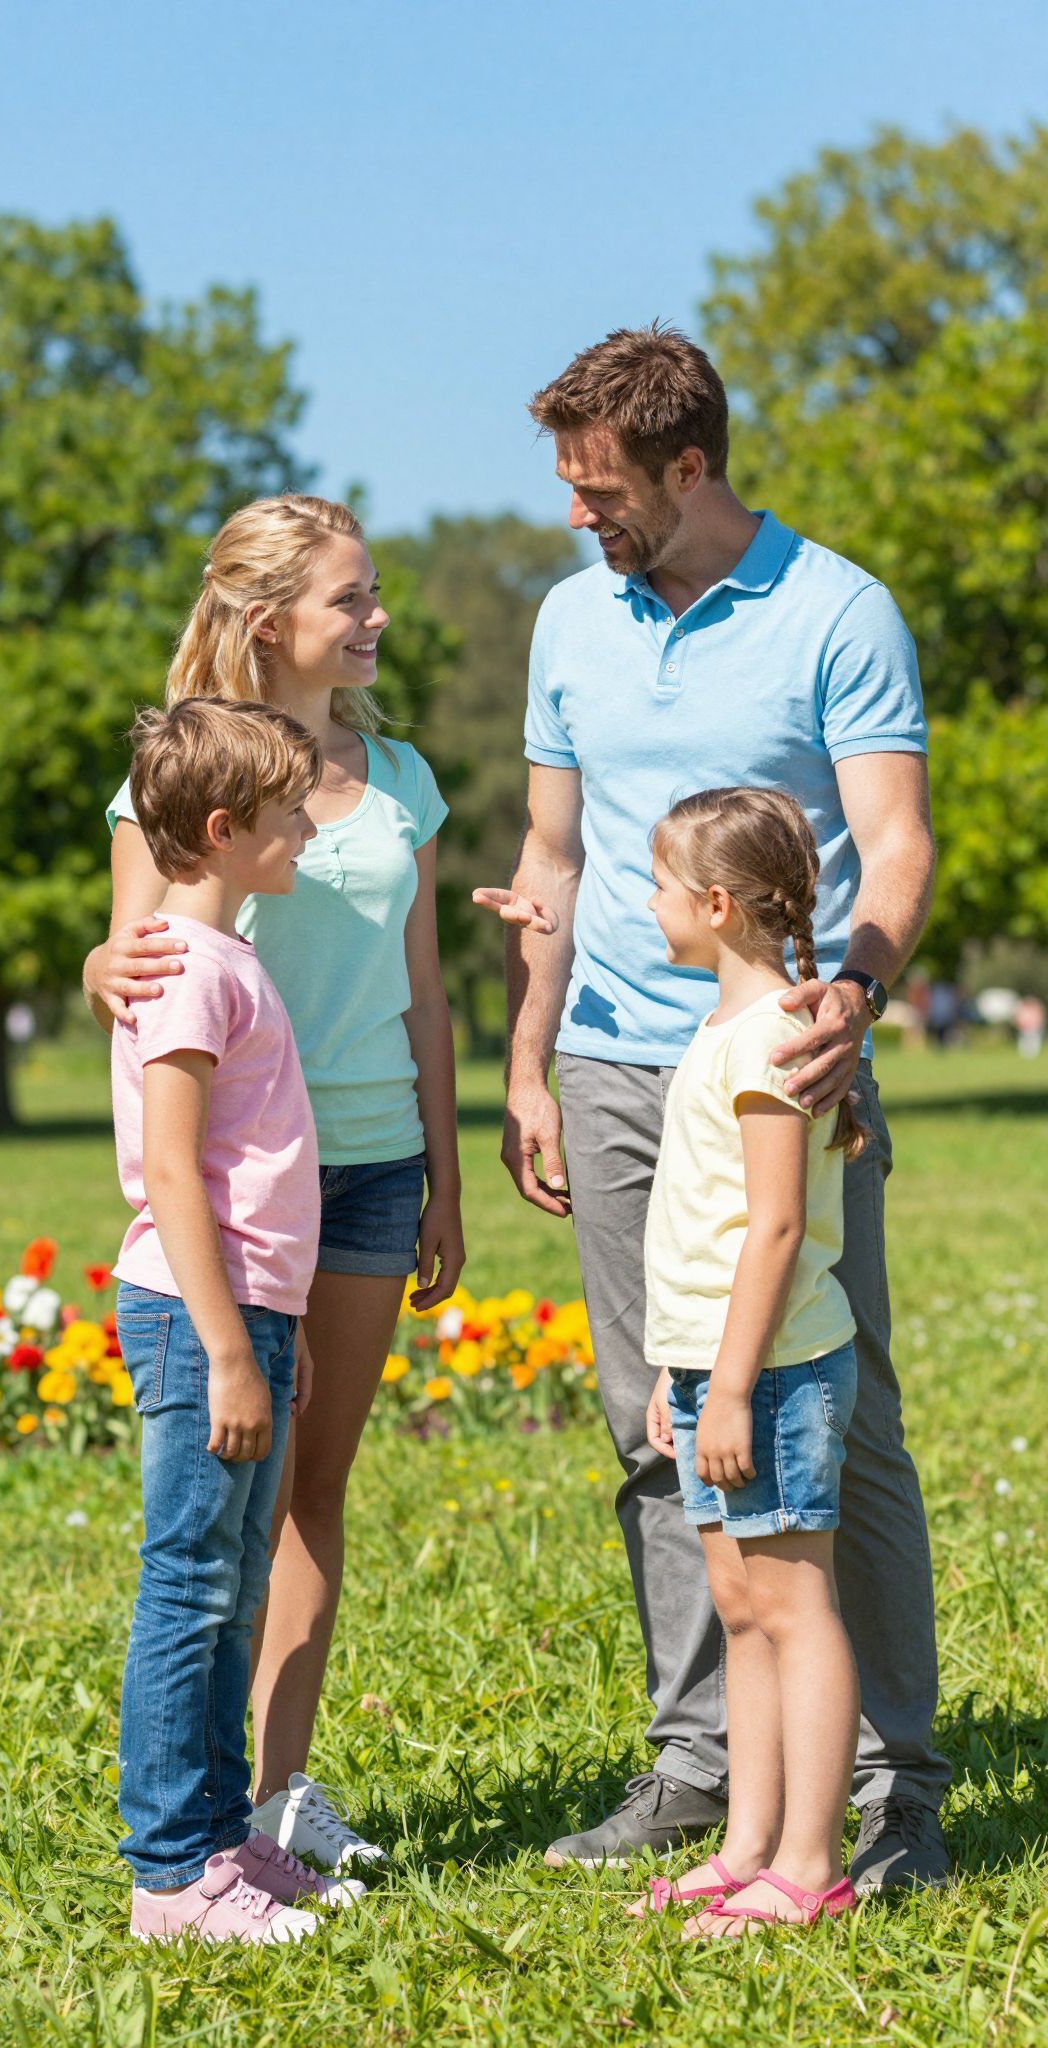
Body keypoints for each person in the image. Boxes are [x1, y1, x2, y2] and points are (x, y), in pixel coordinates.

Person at [475, 323, 951, 1891]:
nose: (576, 515)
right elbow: (554, 863)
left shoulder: (837, 609)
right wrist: (530, 1057)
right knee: (655, 1424)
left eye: (601, 487)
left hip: (780, 1065)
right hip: (617, 1066)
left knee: (837, 1409)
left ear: (692, 466)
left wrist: (852, 1000)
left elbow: (893, 846)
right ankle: (704, 1765)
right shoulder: (570, 620)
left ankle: (890, 1780)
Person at [84, 496, 463, 1872]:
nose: (376, 620)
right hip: (244, 1186)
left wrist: (445, 1175)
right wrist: (87, 968)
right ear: (269, 623)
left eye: (374, 597)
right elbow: (143, 953)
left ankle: (276, 1794)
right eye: (352, 600)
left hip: (369, 1172)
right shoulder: (188, 770)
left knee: (314, 1485)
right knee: (222, 1507)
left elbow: (424, 993)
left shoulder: (404, 776)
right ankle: (195, 1828)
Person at [113, 695, 365, 1944]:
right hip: (195, 1319)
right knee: (194, 1591)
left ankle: (221, 1846)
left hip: (245, 1316)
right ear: (223, 830)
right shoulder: (188, 969)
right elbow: (172, 1173)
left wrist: (278, 1326)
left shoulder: (219, 956)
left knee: (225, 1591)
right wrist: (226, 1346)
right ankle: (171, 1875)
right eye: (287, 817)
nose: (307, 833)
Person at [628, 786, 862, 1937]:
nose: (650, 901)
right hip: (714, 1368)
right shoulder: (728, 1027)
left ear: (715, 904)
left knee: (794, 1600)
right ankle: (750, 1843)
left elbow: (772, 1228)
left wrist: (726, 1382)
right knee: (741, 1598)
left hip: (771, 1369)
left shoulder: (774, 1033)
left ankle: (810, 1861)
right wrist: (686, 1378)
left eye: (661, 882)